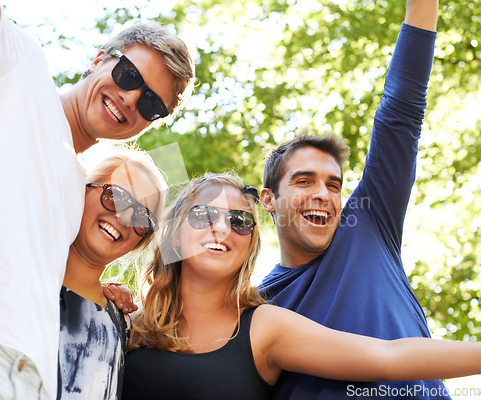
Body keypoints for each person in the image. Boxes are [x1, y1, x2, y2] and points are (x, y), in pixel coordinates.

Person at [0, 0, 194, 397]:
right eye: (129, 74)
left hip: (28, 378)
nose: (131, 99)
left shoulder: (75, 188)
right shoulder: (21, 72)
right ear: (100, 59)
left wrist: (100, 293)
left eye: (151, 103)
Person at [122, 173, 481, 400]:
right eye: (203, 215)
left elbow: (388, 356)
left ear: (249, 246)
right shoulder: (129, 323)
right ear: (174, 235)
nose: (221, 228)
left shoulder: (265, 328)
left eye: (240, 220)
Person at [258, 0, 449, 399]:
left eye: (333, 184)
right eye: (304, 181)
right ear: (268, 200)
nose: (322, 195)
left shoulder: (368, 225)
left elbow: (402, 110)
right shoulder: (254, 308)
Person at [58, 148, 166, 399]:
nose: (123, 217)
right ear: (83, 189)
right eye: (116, 196)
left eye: (142, 217)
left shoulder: (123, 321)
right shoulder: (22, 273)